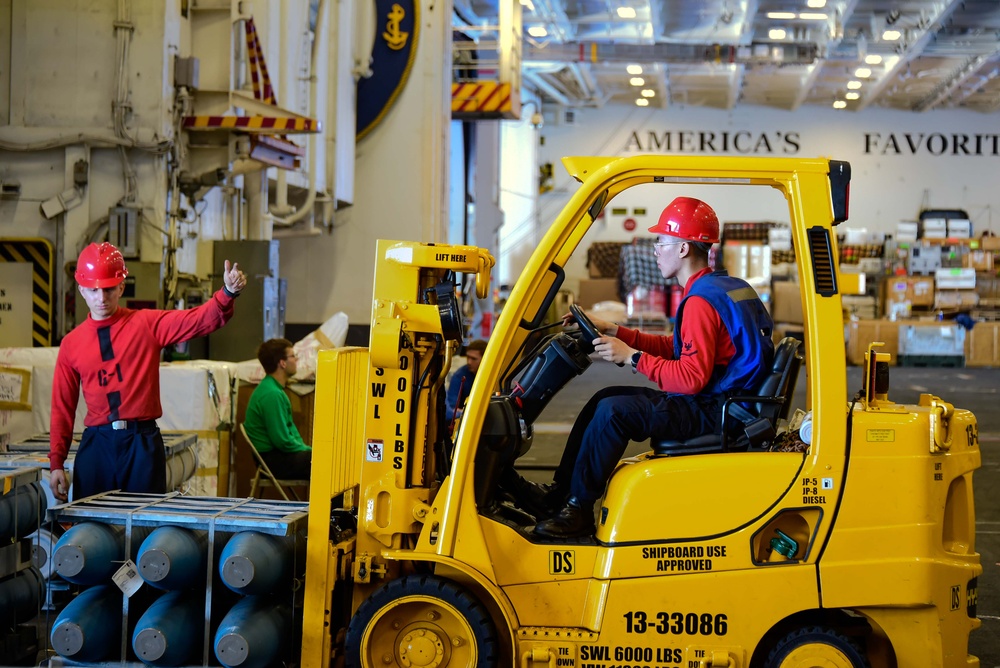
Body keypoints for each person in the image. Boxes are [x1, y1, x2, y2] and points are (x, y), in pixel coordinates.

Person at [529, 197, 775, 538]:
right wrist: (617, 331)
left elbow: (690, 378)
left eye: (662, 242)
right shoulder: (722, 287)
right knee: (606, 396)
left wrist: (631, 357)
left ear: (684, 249)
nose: (656, 250)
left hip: (718, 409)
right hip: (730, 399)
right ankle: (562, 495)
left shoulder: (700, 302)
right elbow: (679, 348)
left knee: (614, 411)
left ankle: (579, 510)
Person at [49, 242, 247, 502]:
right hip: (97, 446)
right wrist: (56, 464)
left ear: (121, 286)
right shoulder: (71, 344)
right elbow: (62, 407)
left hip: (141, 443)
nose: (101, 298)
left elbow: (196, 320)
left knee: (143, 527)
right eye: (93, 290)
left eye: (108, 289)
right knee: (90, 529)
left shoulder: (146, 324)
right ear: (81, 290)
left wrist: (227, 294)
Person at [243, 338, 312, 480]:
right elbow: (282, 441)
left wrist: (307, 450)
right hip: (273, 461)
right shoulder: (271, 394)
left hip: (275, 456)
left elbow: (288, 433)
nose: (296, 360)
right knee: (326, 463)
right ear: (282, 363)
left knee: (323, 460)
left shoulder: (273, 389)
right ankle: (334, 504)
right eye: (293, 356)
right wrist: (310, 452)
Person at [445, 339, 487, 421]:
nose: (469, 362)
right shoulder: (460, 375)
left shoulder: (495, 375)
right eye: (468, 357)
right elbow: (453, 409)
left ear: (485, 359)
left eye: (474, 359)